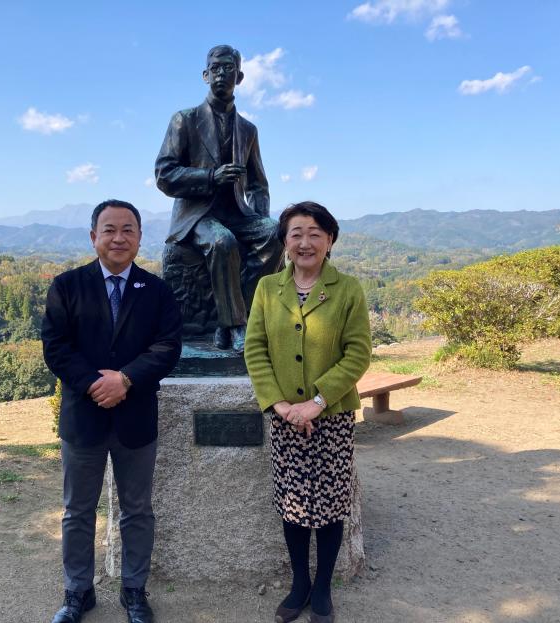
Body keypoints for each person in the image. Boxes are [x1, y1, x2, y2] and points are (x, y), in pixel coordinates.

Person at [41, 199, 182, 623]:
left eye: (128, 230)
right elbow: (56, 347)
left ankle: (134, 590)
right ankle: (77, 592)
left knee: (137, 509)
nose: (118, 238)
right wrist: (95, 384)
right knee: (77, 511)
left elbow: (167, 347)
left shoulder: (157, 291)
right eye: (109, 229)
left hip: (135, 418)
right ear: (93, 237)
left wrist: (126, 379)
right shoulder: (66, 286)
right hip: (83, 418)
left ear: (139, 237)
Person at [244, 202, 371, 623]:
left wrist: (316, 401)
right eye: (296, 233)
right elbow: (255, 349)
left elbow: (357, 354)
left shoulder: (348, 289)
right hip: (284, 419)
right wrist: (281, 405)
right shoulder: (266, 289)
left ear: (330, 240)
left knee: (332, 505)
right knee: (293, 504)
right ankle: (299, 582)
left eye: (315, 233)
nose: (305, 242)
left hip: (330, 417)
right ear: (284, 242)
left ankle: (322, 587)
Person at [155, 44, 281, 352]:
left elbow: (258, 185)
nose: (221, 73)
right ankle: (235, 326)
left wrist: (261, 215)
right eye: (215, 67)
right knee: (222, 241)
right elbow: (164, 174)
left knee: (278, 232)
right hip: (197, 216)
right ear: (205, 74)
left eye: (228, 68)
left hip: (237, 213)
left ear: (240, 76)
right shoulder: (184, 120)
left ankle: (243, 315)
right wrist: (210, 177)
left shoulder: (248, 130)